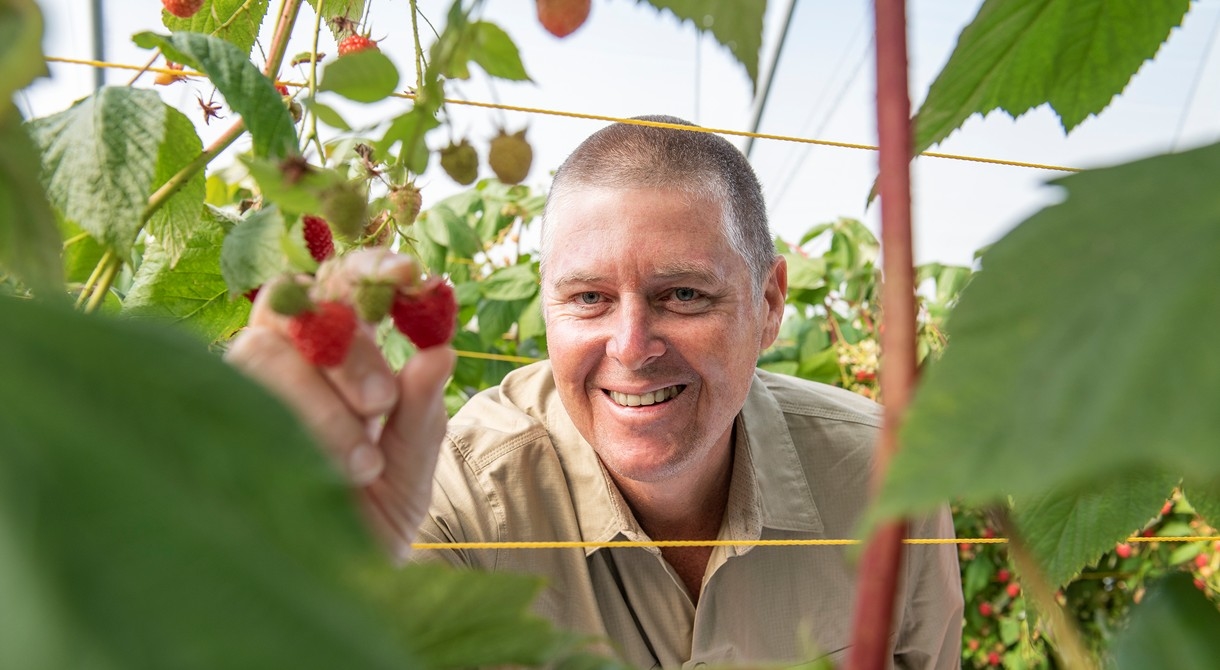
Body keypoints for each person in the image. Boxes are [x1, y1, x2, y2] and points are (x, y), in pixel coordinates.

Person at [227, 116, 963, 669]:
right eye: (587, 298)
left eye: (682, 294)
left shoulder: (887, 474)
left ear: (770, 303)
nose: (631, 346)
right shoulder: (454, 499)